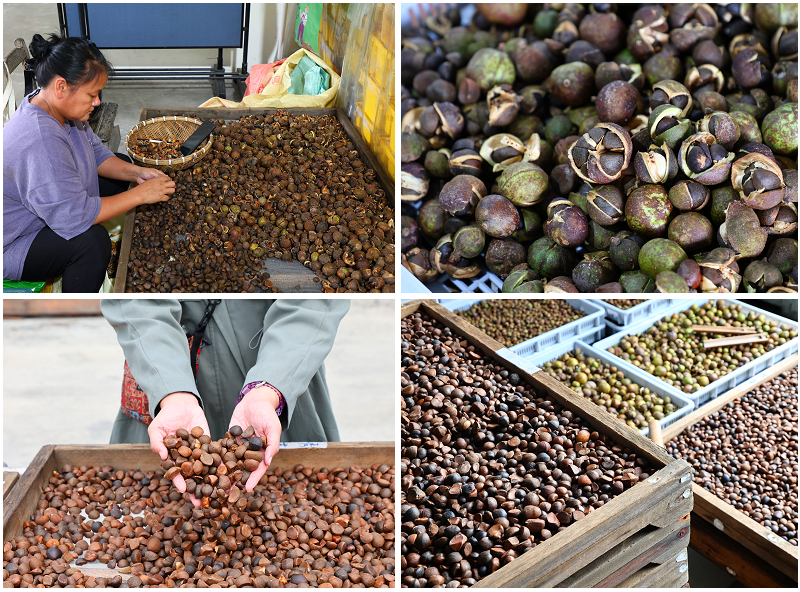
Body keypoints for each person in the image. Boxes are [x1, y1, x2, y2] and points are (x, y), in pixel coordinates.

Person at [101, 299, 349, 503]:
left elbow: (314, 300)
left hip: (280, 374)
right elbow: (136, 304)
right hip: (164, 374)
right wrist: (171, 392)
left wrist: (267, 390)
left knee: (300, 497)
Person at [3, 34, 175, 292]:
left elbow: (95, 152)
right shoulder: (40, 140)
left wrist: (137, 173)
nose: (97, 102)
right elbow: (75, 217)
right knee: (92, 243)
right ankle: (77, 314)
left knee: (121, 167)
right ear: (61, 87)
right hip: (16, 240)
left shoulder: (52, 103)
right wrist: (140, 195)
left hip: (49, 204)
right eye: (92, 94)